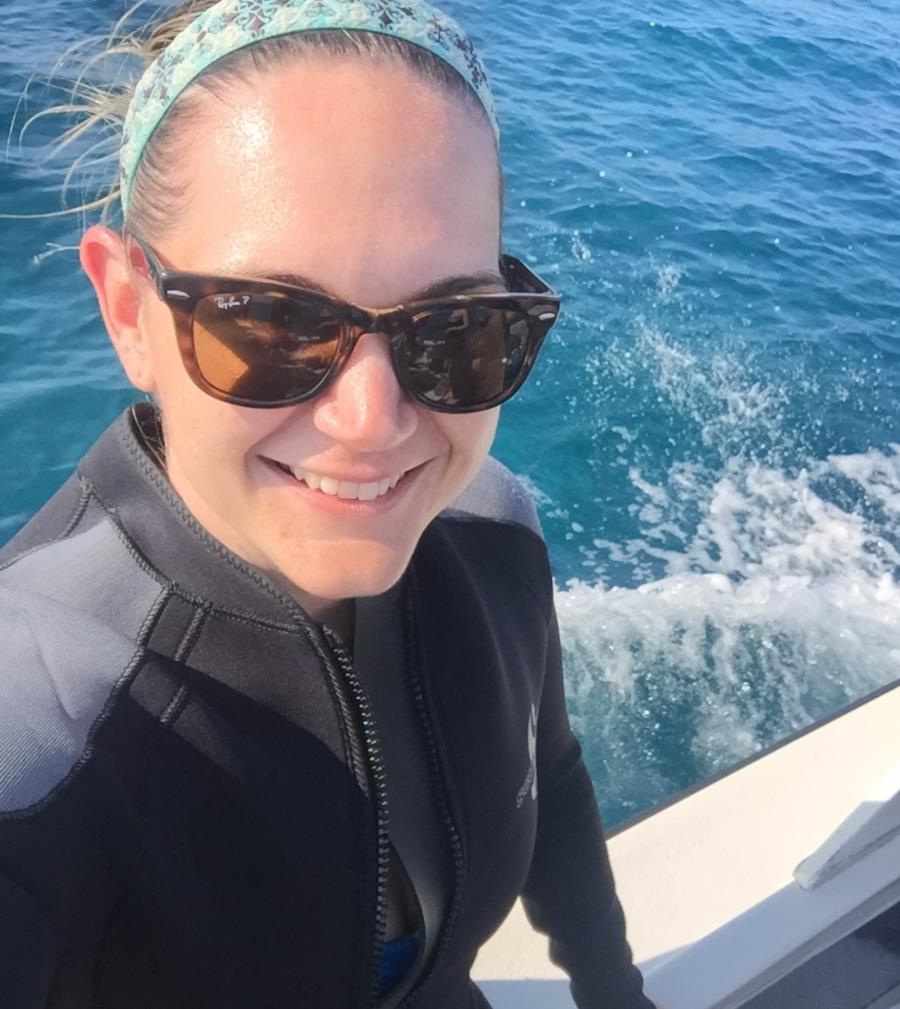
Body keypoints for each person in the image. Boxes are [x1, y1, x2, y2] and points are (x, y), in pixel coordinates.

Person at [0, 1, 656, 1007]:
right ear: (130, 311)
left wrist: (618, 994)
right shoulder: (37, 726)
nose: (373, 420)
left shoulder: (495, 529)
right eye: (270, 323)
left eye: (454, 327)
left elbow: (551, 776)